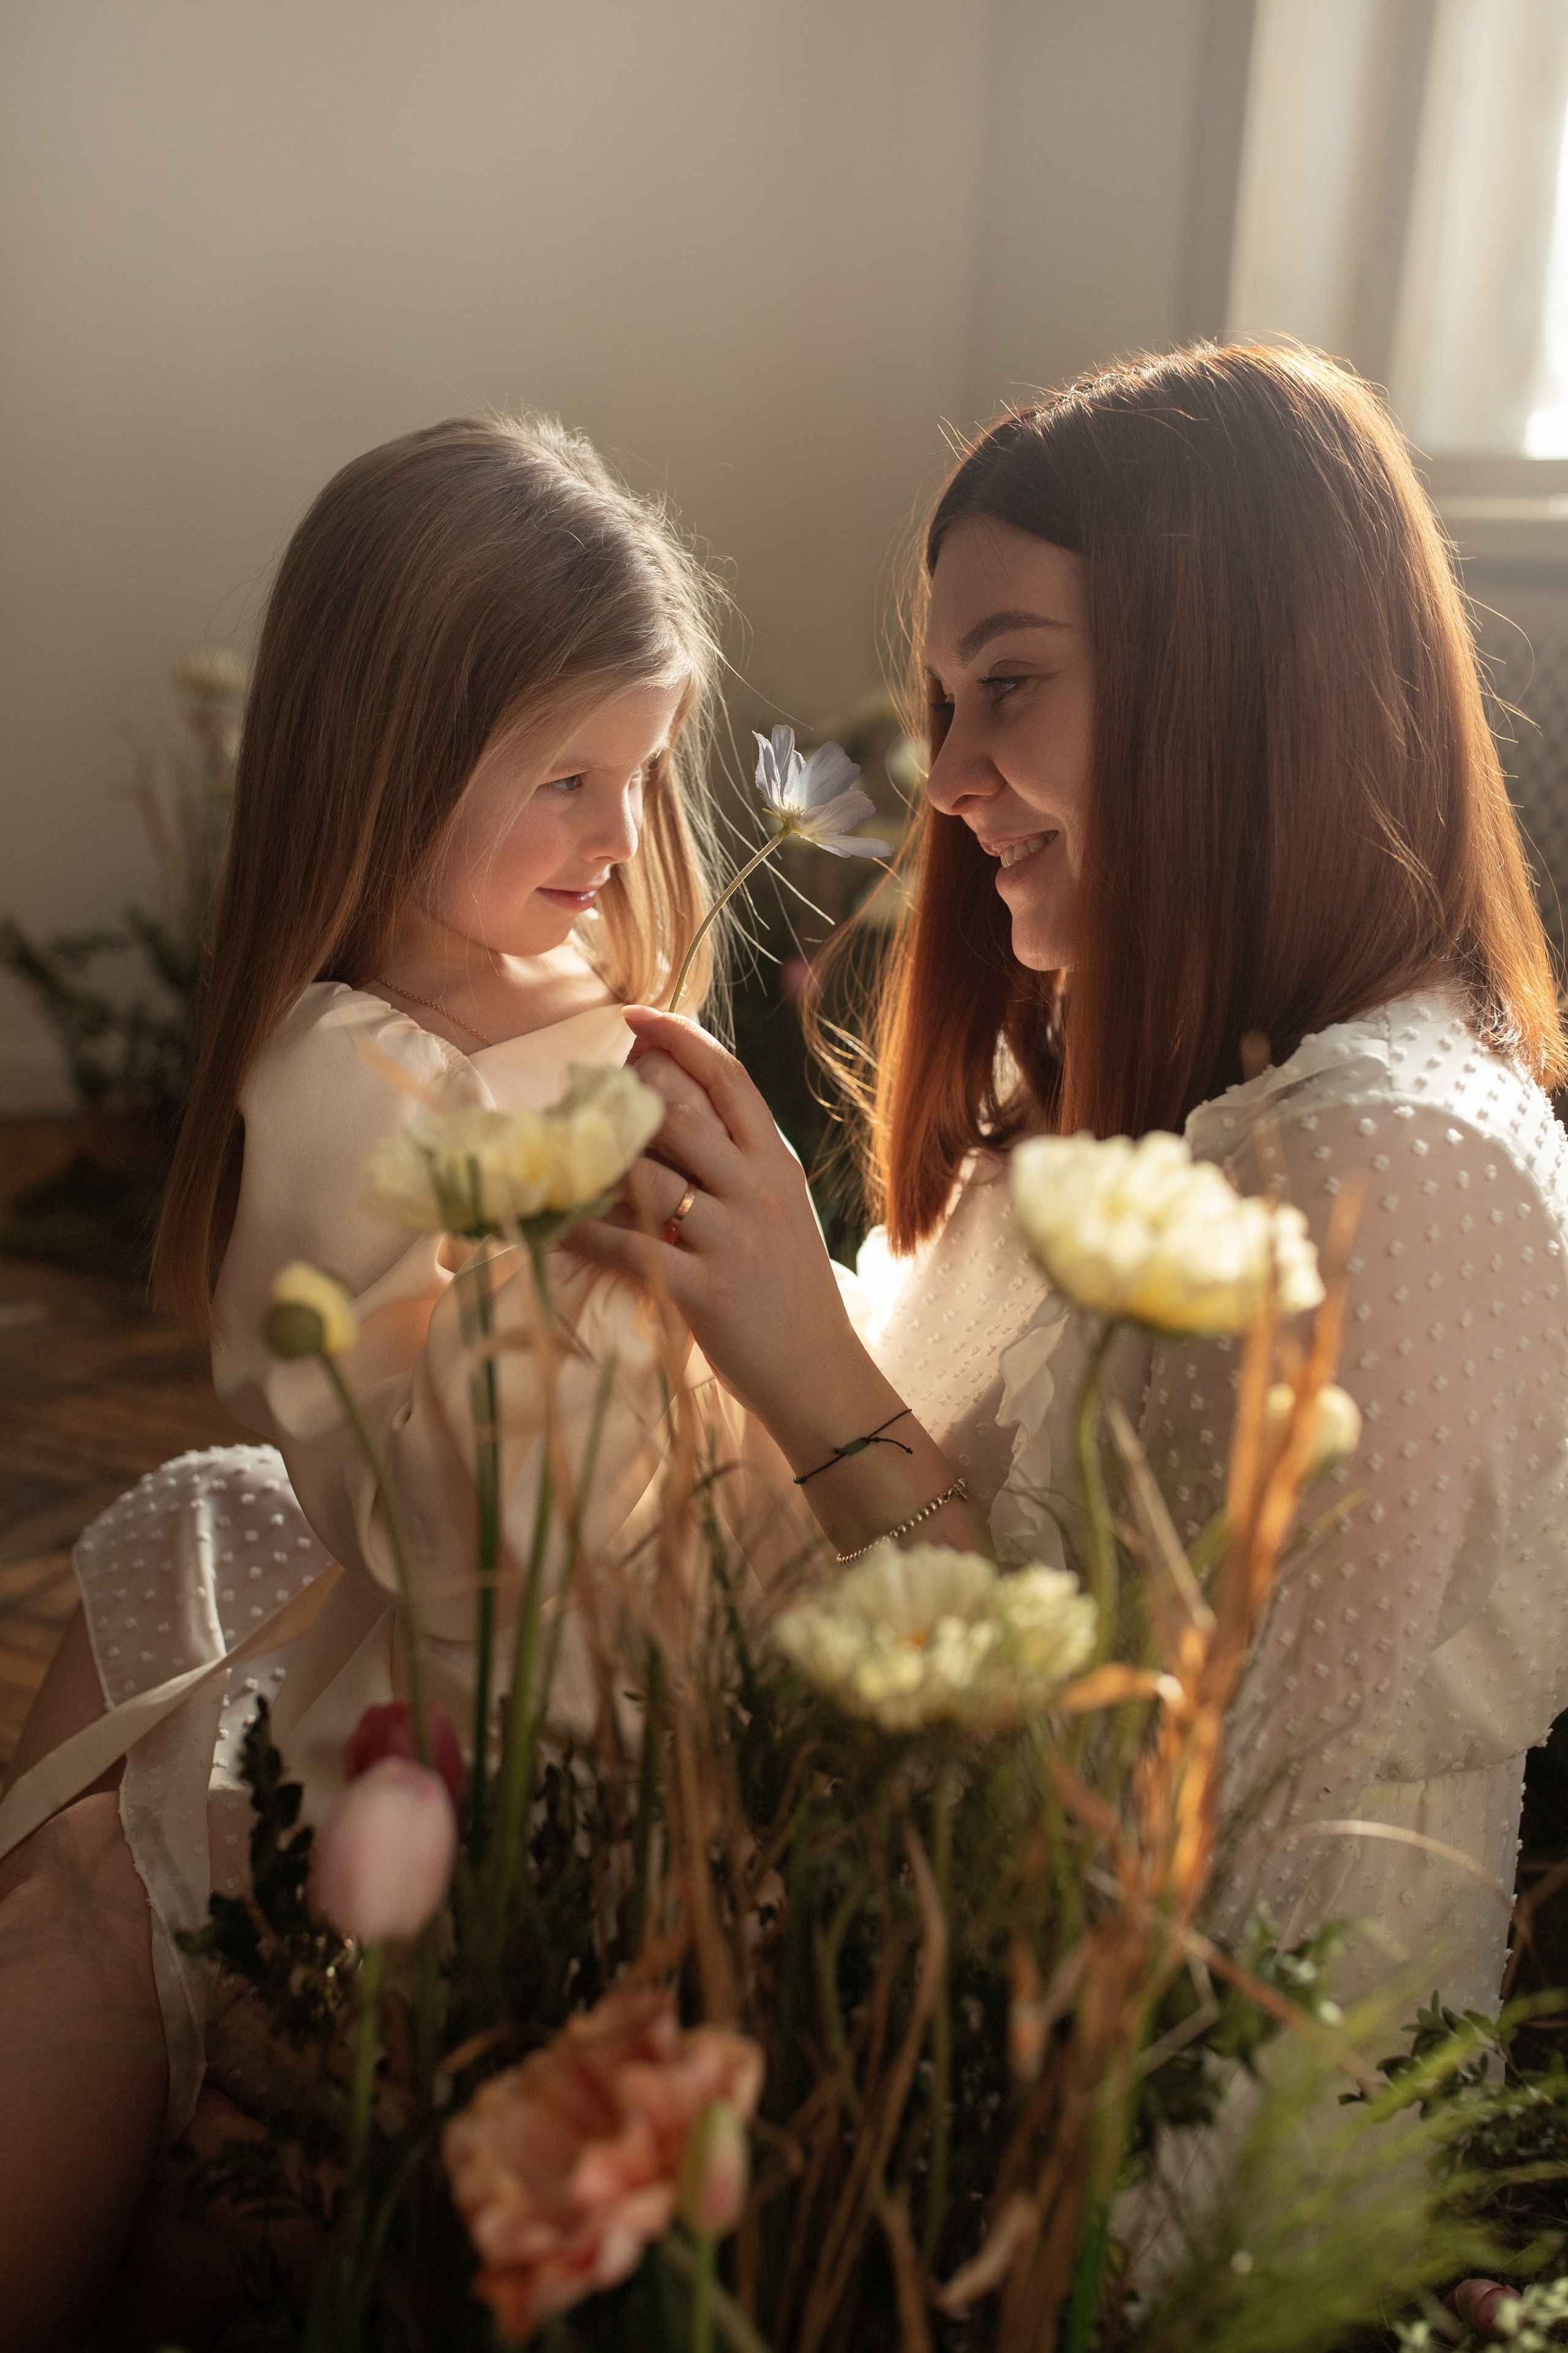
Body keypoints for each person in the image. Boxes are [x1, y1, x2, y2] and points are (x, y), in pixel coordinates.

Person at [579, 341, 1568, 2033]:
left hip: (1110, 2155)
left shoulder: (1396, 1174)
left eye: (1009, 687)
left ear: (1239, 684)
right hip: (823, 1917)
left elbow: (1164, 1856)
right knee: (218, 1542)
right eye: (946, 700)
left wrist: (805, 1362)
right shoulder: (1102, 1071)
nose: (948, 779)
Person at [0, 412, 744, 2350]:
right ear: (391, 765)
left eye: (641, 776)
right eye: (564, 778)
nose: (614, 834)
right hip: (476, 1728)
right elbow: (475, 1511)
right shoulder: (350, 1081)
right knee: (109, 1879)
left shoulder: (592, 1016)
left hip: (663, 1677)